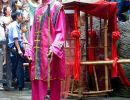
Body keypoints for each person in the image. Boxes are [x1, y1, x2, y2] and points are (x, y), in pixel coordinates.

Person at [24, 0, 66, 100]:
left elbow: (61, 32)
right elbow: (32, 32)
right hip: (36, 56)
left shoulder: (57, 7)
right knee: (37, 84)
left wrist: (54, 48)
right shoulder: (37, 9)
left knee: (52, 86)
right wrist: (29, 50)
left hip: (50, 55)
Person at [7, 10, 25, 90]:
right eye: (21, 15)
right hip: (16, 47)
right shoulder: (14, 25)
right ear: (17, 16)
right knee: (19, 66)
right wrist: (19, 49)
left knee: (17, 66)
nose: (22, 17)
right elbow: (15, 38)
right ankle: (19, 85)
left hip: (14, 47)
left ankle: (17, 84)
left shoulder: (14, 25)